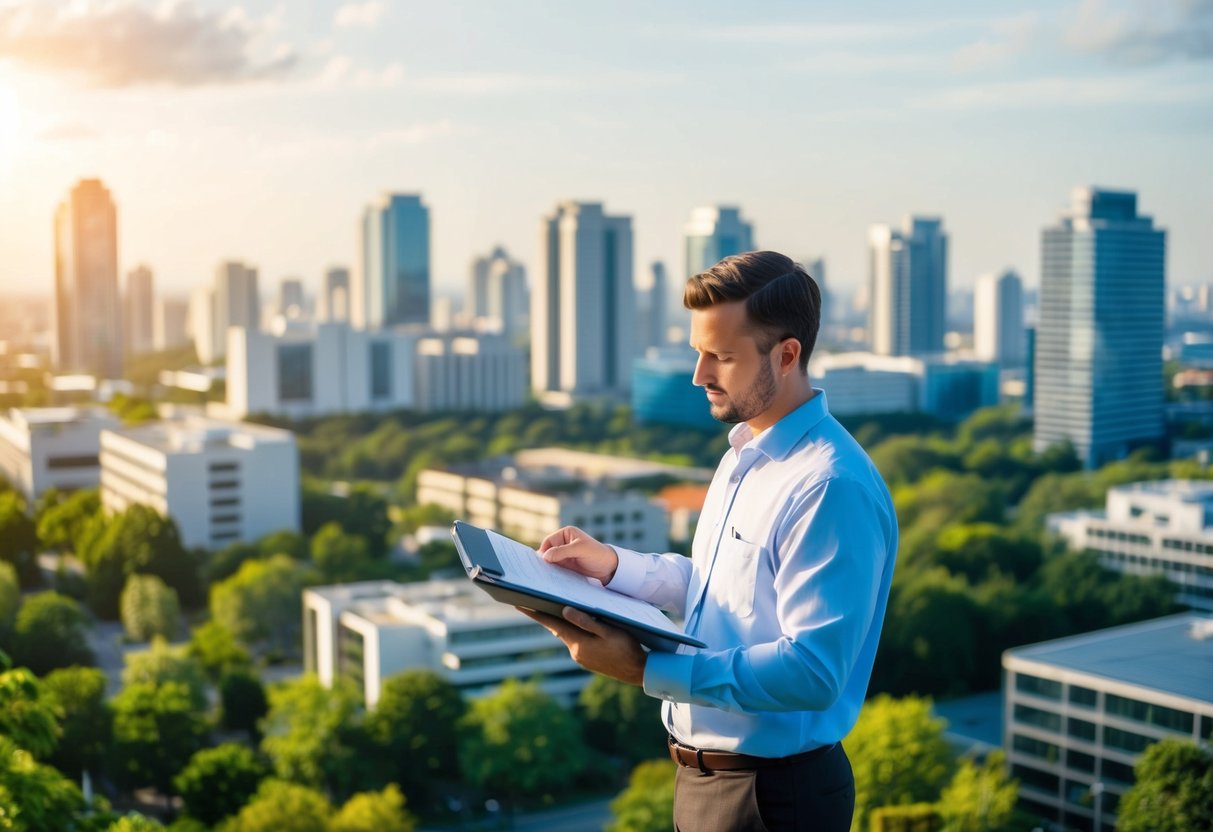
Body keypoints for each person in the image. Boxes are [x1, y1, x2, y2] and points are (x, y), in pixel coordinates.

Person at [520, 250, 898, 832]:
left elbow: (813, 671)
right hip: (707, 783)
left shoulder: (829, 486)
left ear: (788, 353)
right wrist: (615, 566)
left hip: (773, 798)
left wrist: (647, 671)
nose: (699, 375)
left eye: (720, 356)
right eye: (698, 352)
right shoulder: (744, 454)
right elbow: (716, 586)